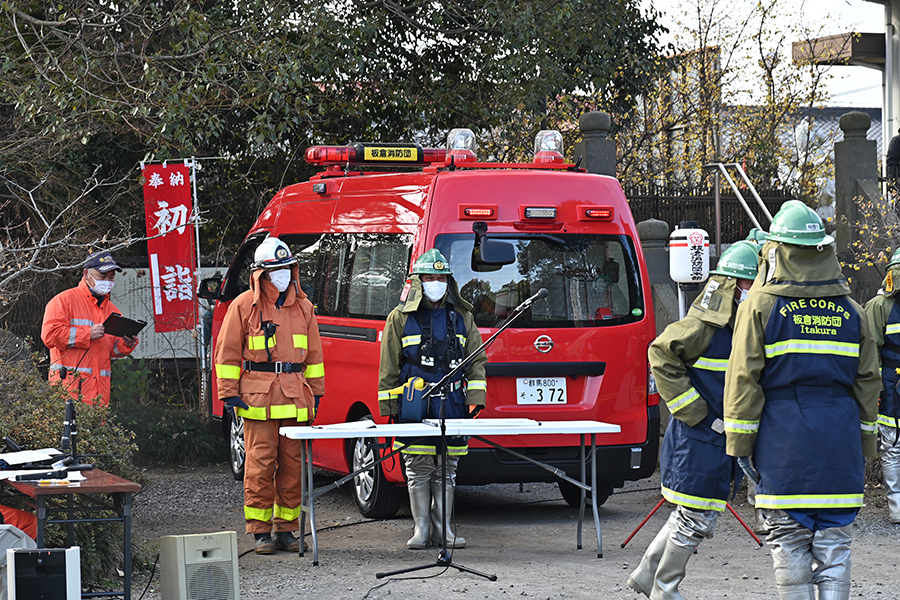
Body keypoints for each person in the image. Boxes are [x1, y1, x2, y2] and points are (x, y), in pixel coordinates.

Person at [723, 200, 880, 600]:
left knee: (789, 541)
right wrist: (863, 444)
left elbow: (743, 379)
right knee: (835, 546)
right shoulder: (853, 311)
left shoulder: (760, 305)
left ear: (778, 250)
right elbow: (867, 383)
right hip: (838, 442)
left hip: (783, 442)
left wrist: (740, 447)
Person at [628, 240, 759, 599]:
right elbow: (660, 353)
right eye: (750, 284)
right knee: (696, 517)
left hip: (708, 439)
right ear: (733, 287)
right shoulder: (705, 326)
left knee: (688, 513)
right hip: (700, 439)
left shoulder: (735, 326)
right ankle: (665, 589)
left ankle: (645, 574)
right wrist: (695, 411)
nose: (755, 291)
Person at [214, 236, 325, 555]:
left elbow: (315, 357)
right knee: (260, 466)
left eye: (287, 269)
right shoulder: (242, 306)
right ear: (260, 274)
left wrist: (316, 393)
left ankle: (287, 530)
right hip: (257, 401)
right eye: (276, 270)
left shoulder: (304, 308)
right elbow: (228, 355)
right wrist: (229, 394)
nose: (283, 275)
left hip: (294, 398)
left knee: (293, 467)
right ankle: (260, 532)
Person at [377, 249, 487, 549]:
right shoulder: (399, 318)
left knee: (447, 469)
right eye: (429, 278)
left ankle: (444, 531)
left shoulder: (463, 316)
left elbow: (477, 361)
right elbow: (389, 367)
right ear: (417, 281)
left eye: (441, 278)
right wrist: (390, 408)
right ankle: (421, 530)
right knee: (418, 466)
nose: (435, 283)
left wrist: (475, 399)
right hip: (415, 404)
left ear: (448, 281)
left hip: (452, 405)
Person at [41, 250, 139, 406]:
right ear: (86, 274)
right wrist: (87, 334)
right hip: (67, 393)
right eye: (102, 276)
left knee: (95, 430)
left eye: (111, 277)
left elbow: (113, 349)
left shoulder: (112, 310)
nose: (107, 281)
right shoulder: (63, 301)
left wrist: (127, 343)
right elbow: (50, 336)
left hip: (99, 395)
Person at [863, 247, 900, 524]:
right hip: (891, 387)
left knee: (892, 447)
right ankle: (897, 508)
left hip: (891, 385)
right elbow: (869, 351)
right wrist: (874, 388)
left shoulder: (880, 306)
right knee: (892, 445)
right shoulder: (879, 307)